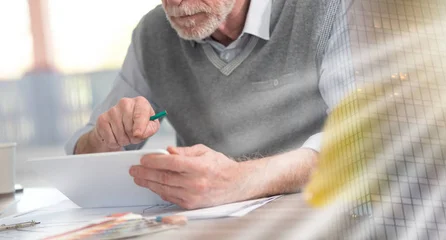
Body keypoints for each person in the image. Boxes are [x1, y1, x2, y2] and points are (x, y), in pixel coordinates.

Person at [65, 0, 354, 210]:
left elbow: (359, 139)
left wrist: (240, 181)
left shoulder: (328, 8)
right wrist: (106, 136)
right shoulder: (153, 33)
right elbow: (85, 151)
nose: (177, 3)